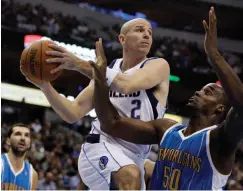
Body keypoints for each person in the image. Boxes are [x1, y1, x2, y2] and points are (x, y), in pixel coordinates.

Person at [91, 7, 243, 190]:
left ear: (220, 108)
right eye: (201, 90)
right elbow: (111, 123)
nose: (198, 93)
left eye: (208, 92)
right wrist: (100, 81)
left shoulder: (220, 140)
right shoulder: (166, 129)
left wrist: (214, 55)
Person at [23, 18, 170, 189]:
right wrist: (45, 86)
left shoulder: (159, 66)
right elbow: (73, 112)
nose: (146, 35)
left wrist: (78, 64)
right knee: (130, 175)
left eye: (150, 32)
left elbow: (126, 85)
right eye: (139, 30)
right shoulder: (109, 69)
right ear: (122, 39)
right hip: (100, 145)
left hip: (136, 155)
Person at [1, 123, 38, 190]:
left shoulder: (32, 174)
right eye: (18, 134)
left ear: (29, 144)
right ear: (8, 141)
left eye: (26, 135)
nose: (23, 138)